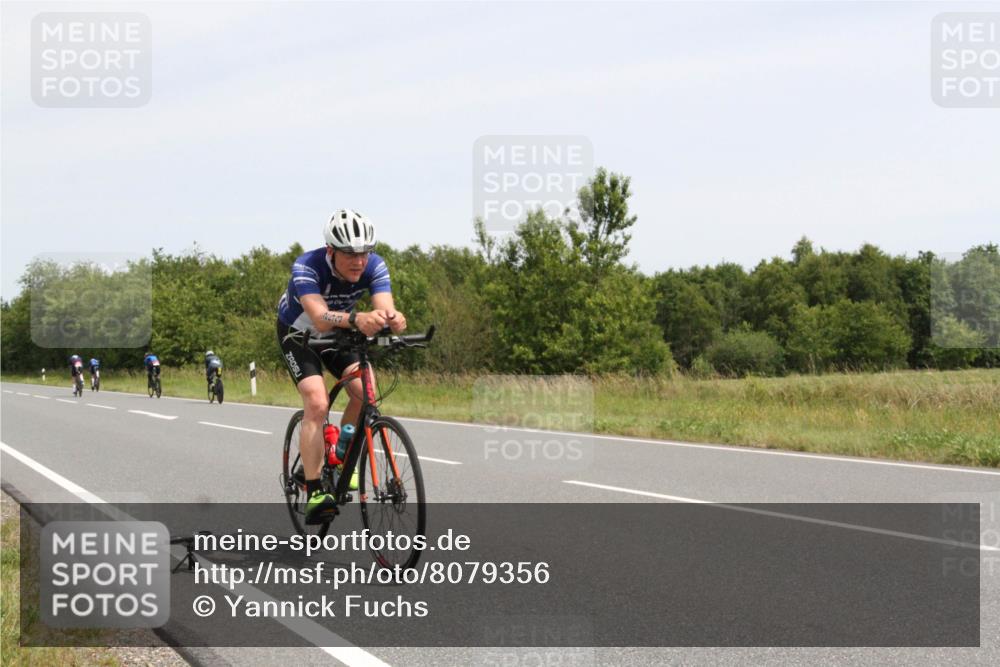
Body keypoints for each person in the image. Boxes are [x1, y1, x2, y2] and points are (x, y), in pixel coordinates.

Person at [276, 209, 407, 524]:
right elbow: (320, 317)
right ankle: (315, 488)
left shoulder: (375, 265)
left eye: (364, 253)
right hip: (299, 333)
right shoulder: (306, 266)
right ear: (331, 251)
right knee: (317, 402)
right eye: (350, 253)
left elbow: (384, 307)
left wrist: (392, 320)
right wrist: (357, 319)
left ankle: (342, 451)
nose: (359, 261)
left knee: (366, 391)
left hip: (338, 332)